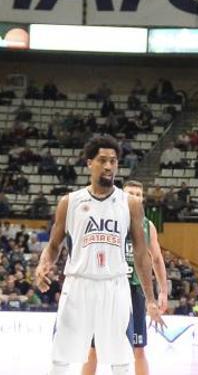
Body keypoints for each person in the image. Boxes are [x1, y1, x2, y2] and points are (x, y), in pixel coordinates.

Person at [34, 136, 165, 375]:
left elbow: (141, 253)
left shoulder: (131, 204)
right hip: (77, 284)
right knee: (60, 355)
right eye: (102, 160)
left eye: (113, 161)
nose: (108, 166)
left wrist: (150, 298)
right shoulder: (69, 202)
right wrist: (43, 266)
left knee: (122, 359)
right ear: (89, 163)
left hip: (115, 285)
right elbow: (53, 245)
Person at [82, 180, 168, 375]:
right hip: (107, 288)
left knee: (138, 348)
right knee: (94, 347)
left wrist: (162, 290)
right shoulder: (107, 221)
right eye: (131, 193)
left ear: (143, 198)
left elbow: (156, 259)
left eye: (138, 194)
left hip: (135, 290)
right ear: (122, 195)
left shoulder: (148, 226)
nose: (135, 197)